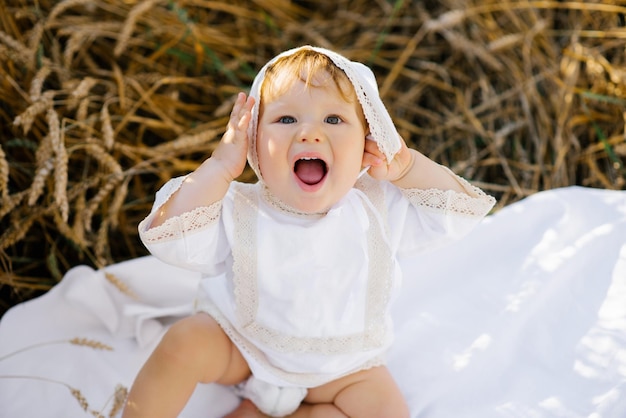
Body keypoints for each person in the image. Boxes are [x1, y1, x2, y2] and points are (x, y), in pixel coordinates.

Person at [122, 45, 496, 418]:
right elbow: (169, 236)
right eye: (286, 120)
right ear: (253, 141)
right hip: (244, 349)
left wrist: (407, 166)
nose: (309, 134)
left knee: (387, 411)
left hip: (343, 368)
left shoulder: (381, 205)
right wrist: (220, 167)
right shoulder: (238, 207)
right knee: (184, 343)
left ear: (368, 138)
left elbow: (459, 213)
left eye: (333, 120)